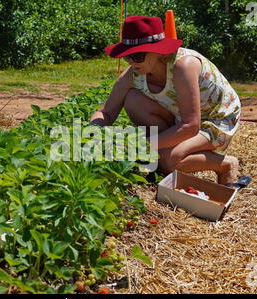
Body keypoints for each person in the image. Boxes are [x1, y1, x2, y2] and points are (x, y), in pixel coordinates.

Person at [89, 16, 241, 185]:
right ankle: (166, 148)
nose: (131, 62)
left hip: (216, 118)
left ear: (158, 51)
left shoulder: (184, 66)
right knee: (132, 100)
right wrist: (93, 135)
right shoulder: (132, 73)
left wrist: (144, 145)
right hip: (180, 116)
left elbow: (191, 126)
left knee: (169, 160)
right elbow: (106, 112)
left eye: (138, 56)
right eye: (127, 56)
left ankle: (225, 164)